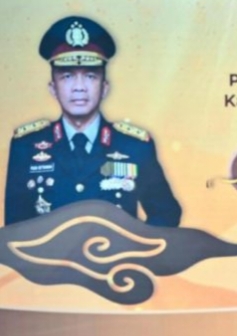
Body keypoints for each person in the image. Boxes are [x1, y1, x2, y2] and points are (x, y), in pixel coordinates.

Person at [4, 16, 181, 227]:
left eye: (90, 76)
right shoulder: (26, 146)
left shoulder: (134, 146)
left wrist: (135, 245)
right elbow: (15, 230)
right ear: (53, 88)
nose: (79, 87)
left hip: (115, 251)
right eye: (67, 76)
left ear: (104, 87)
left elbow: (167, 213)